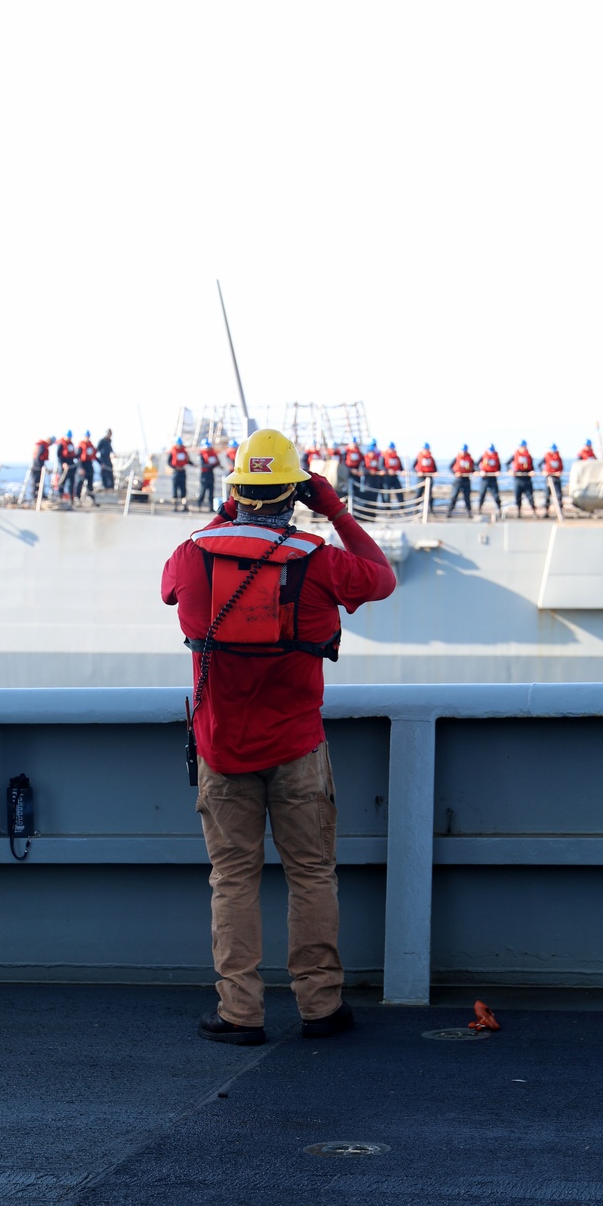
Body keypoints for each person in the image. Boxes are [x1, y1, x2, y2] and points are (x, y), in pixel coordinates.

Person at [161, 428, 396, 1045]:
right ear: (295, 494)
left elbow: (171, 580)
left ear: (237, 491)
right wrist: (336, 507)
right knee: (312, 874)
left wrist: (228, 511)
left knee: (232, 879)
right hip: (297, 748)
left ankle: (240, 1013)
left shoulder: (191, 557)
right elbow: (381, 577)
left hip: (220, 748)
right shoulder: (319, 560)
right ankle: (320, 1007)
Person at [506, 441, 537, 516]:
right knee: (517, 496)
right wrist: (510, 470)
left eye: (524, 446)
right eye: (522, 446)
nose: (523, 448)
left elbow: (532, 466)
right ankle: (518, 512)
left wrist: (532, 472)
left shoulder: (528, 456)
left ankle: (534, 512)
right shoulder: (515, 455)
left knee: (530, 496)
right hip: (518, 478)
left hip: (527, 479)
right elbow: (507, 463)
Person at [447, 444, 475, 517]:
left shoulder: (470, 459)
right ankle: (449, 512)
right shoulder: (457, 458)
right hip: (458, 480)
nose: (463, 452)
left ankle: (469, 512)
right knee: (454, 496)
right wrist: (455, 473)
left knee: (467, 497)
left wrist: (475, 472)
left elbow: (473, 468)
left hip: (466, 479)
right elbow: (450, 467)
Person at [539, 444, 564, 516]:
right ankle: (546, 511)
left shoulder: (558, 457)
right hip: (549, 478)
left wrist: (559, 472)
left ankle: (559, 511)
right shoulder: (546, 456)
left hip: (556, 478)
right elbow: (539, 464)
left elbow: (561, 467)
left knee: (559, 495)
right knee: (547, 495)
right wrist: (543, 471)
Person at [168, 437, 192, 511]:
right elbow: (169, 462)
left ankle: (184, 505)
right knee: (175, 489)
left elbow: (188, 461)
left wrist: (193, 464)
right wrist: (175, 467)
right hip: (176, 472)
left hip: (182, 472)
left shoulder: (184, 452)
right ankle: (175, 506)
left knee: (183, 489)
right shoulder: (172, 452)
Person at [196, 438, 221, 511]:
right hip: (204, 474)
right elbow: (203, 465)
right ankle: (199, 505)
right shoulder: (201, 454)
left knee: (211, 491)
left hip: (211, 474)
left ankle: (211, 507)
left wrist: (214, 465)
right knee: (202, 491)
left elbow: (217, 462)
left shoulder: (213, 454)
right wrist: (211, 465)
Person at [477, 444, 502, 514]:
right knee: (482, 494)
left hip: (493, 478)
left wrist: (498, 471)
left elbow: (499, 466)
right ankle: (479, 509)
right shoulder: (483, 456)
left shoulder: (496, 457)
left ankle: (499, 509)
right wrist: (480, 471)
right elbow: (476, 465)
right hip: (485, 478)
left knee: (496, 495)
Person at [56, 432, 77, 504]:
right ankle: (60, 498)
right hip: (64, 467)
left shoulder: (71, 444)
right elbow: (58, 456)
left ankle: (71, 500)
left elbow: (73, 455)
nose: (69, 438)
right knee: (62, 483)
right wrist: (63, 464)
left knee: (71, 483)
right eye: (68, 436)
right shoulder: (61, 444)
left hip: (71, 466)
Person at [29, 436, 52, 502]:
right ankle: (35, 497)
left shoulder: (42, 445)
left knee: (40, 482)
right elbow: (39, 456)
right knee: (36, 482)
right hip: (37, 467)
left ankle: (41, 495)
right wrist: (40, 467)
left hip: (38, 466)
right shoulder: (42, 446)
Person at [362, 440, 384, 505]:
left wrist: (380, 471)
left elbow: (379, 467)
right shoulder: (364, 459)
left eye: (372, 452)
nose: (372, 454)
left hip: (376, 479)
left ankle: (373, 510)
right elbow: (362, 468)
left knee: (375, 495)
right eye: (370, 452)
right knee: (368, 495)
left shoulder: (377, 459)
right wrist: (369, 472)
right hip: (368, 480)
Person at [76, 431, 97, 500]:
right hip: (82, 464)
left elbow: (94, 456)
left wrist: (101, 463)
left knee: (90, 481)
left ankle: (90, 497)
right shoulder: (81, 445)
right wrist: (80, 468)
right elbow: (78, 457)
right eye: (86, 436)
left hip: (89, 464)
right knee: (80, 481)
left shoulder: (91, 445)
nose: (87, 438)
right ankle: (77, 497)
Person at [344, 435, 365, 503]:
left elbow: (362, 462)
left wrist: (360, 470)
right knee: (348, 489)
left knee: (357, 490)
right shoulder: (345, 452)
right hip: (348, 473)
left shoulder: (359, 452)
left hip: (357, 473)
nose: (353, 444)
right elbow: (343, 463)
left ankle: (356, 506)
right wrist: (350, 470)